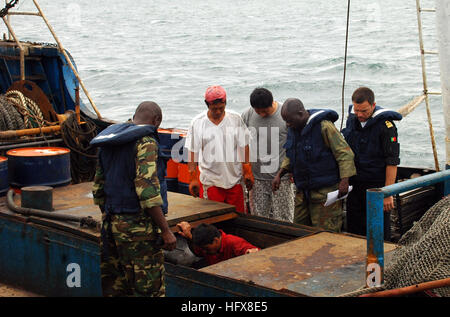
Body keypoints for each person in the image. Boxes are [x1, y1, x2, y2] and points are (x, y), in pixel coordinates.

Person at [90, 101, 176, 297]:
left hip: (111, 226)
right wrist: (165, 230)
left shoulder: (110, 139)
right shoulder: (146, 142)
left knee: (117, 288)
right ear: (156, 121)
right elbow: (147, 192)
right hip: (139, 231)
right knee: (149, 290)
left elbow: (98, 189)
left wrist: (112, 219)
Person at [272, 98, 356, 232]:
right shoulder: (294, 129)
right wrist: (280, 173)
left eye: (289, 121)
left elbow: (344, 153)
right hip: (303, 192)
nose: (287, 125)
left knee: (326, 233)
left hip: (324, 193)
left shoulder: (324, 126)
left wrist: (345, 180)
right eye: (285, 121)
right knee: (299, 231)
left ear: (300, 114)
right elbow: (291, 154)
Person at [342, 87, 402, 240]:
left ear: (373, 105)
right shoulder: (352, 120)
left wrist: (387, 194)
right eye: (357, 110)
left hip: (376, 186)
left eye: (365, 111)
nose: (360, 115)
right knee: (354, 228)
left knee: (379, 231)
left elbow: (392, 161)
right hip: (355, 184)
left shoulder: (386, 127)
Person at [185, 85, 254, 213]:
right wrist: (193, 177)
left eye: (221, 108)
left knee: (237, 217)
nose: (217, 112)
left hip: (235, 180)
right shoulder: (197, 122)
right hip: (211, 182)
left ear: (225, 103)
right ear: (207, 105)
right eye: (214, 109)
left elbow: (244, 145)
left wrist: (247, 169)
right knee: (213, 219)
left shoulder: (235, 119)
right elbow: (192, 152)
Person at [241, 87, 294, 222]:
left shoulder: (285, 114)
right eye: (258, 111)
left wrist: (293, 169)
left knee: (284, 218)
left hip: (281, 177)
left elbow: (294, 145)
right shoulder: (247, 115)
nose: (262, 114)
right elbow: (242, 143)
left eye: (265, 111)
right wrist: (246, 170)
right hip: (257, 177)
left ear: (272, 103)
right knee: (258, 218)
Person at [176, 221, 259, 265]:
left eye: (206, 248)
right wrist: (188, 237)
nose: (204, 251)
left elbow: (256, 253)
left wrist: (251, 253)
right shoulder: (205, 245)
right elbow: (197, 252)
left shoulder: (233, 243)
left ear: (215, 240)